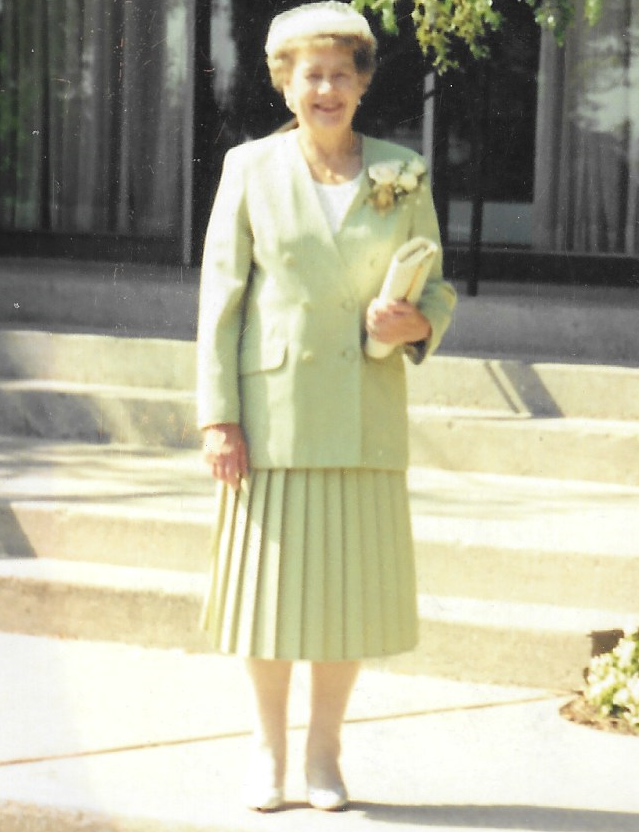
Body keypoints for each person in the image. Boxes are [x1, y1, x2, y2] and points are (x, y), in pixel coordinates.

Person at [196, 1, 456, 813]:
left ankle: (324, 751)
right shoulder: (248, 169)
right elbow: (220, 302)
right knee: (269, 597)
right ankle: (267, 750)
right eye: (311, 74)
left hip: (362, 410)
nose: (326, 88)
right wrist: (217, 416)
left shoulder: (401, 170)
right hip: (273, 416)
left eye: (342, 73)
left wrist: (416, 323)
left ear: (362, 83)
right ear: (284, 83)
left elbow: (437, 287)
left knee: (341, 598)